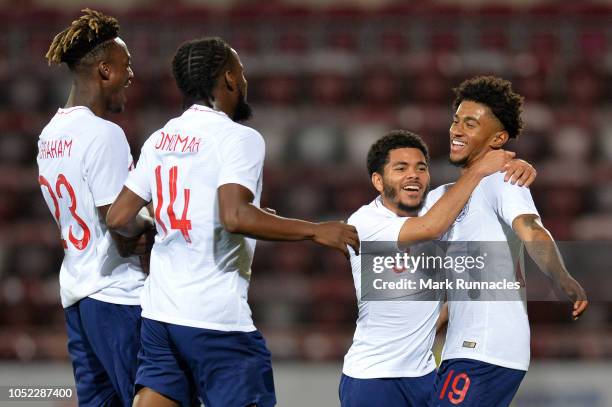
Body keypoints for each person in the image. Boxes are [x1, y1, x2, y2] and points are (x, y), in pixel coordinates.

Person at [105, 37, 359, 407]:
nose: (243, 81)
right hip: (216, 321)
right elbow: (236, 216)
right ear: (227, 78)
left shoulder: (160, 138)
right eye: (240, 73)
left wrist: (157, 226)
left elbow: (118, 216)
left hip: (161, 314)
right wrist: (316, 230)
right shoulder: (239, 138)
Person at [340, 130, 536, 407]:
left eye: (421, 168)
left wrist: (515, 169)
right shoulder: (365, 222)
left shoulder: (434, 210)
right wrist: (480, 170)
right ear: (378, 181)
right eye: (401, 168)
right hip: (374, 377)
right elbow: (432, 227)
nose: (414, 175)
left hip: (425, 375)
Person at [429, 76, 588, 407]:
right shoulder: (444, 199)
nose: (456, 130)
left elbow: (532, 230)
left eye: (470, 124)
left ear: (498, 138)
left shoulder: (504, 181)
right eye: (456, 120)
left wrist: (562, 277)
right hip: (460, 348)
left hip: (489, 346)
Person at [37, 9, 149, 407]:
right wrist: (155, 224)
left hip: (78, 294)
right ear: (105, 70)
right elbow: (119, 224)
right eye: (126, 65)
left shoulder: (49, 135)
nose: (131, 75)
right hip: (118, 296)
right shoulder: (104, 135)